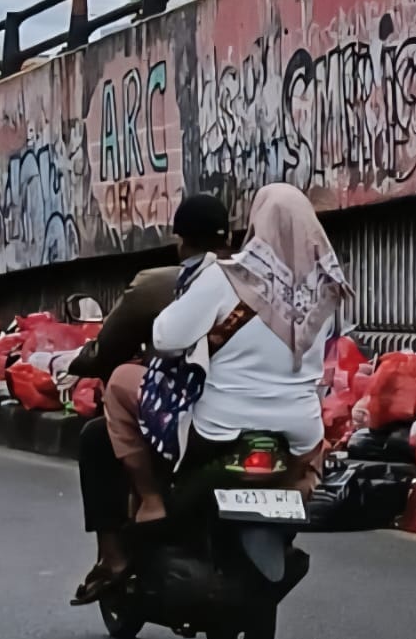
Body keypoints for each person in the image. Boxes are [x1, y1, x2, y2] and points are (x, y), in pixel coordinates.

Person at [102, 182, 349, 528]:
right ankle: (298, 491)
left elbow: (166, 338)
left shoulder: (225, 277)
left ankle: (151, 501)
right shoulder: (326, 291)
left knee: (119, 382)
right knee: (308, 468)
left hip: (220, 425)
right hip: (300, 428)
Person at [70, 192, 233, 606]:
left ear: (180, 241)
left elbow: (108, 349)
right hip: (263, 414)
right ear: (229, 237)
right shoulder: (265, 285)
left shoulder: (160, 285)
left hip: (198, 415)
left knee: (95, 437)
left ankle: (115, 555)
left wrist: (82, 361)